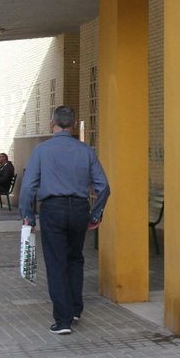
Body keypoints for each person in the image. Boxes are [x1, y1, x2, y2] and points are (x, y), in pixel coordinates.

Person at [19, 105, 109, 333]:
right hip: (79, 209)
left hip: (52, 210)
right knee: (75, 258)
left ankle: (62, 320)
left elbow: (29, 187)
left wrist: (27, 216)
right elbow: (104, 187)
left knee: (56, 262)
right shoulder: (86, 151)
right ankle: (76, 309)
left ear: (52, 123)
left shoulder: (41, 151)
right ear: (73, 123)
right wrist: (96, 213)